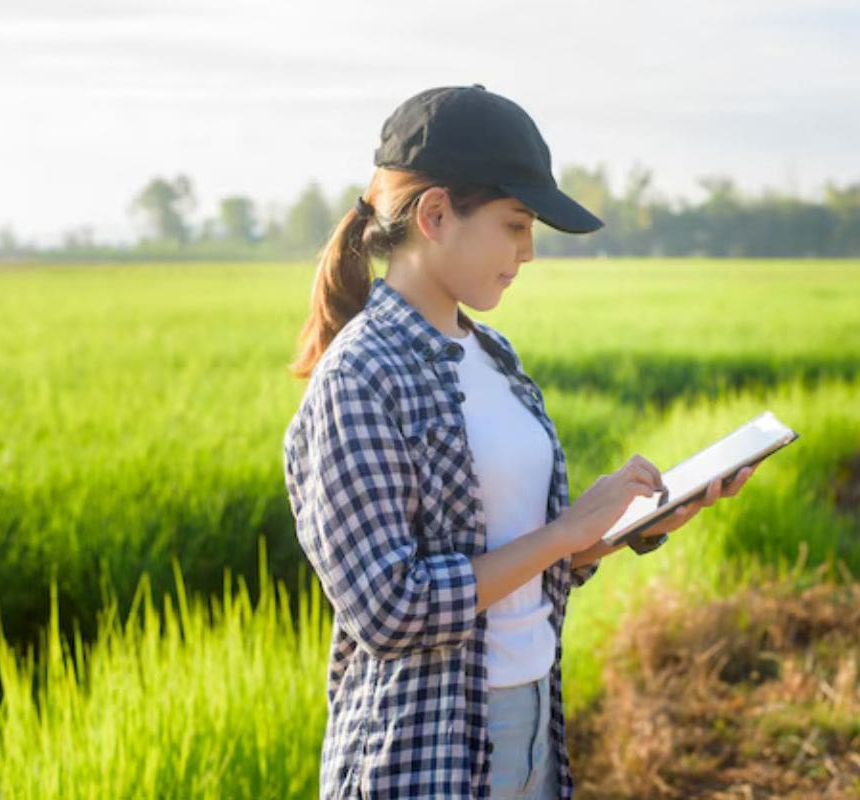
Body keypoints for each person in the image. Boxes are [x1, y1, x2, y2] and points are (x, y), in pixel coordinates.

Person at [281, 84, 758, 800]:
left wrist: (621, 527)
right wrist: (567, 530)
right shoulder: (359, 377)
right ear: (436, 214)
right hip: (426, 751)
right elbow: (389, 608)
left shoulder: (494, 355)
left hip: (532, 719)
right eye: (514, 224)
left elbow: (518, 563)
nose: (528, 252)